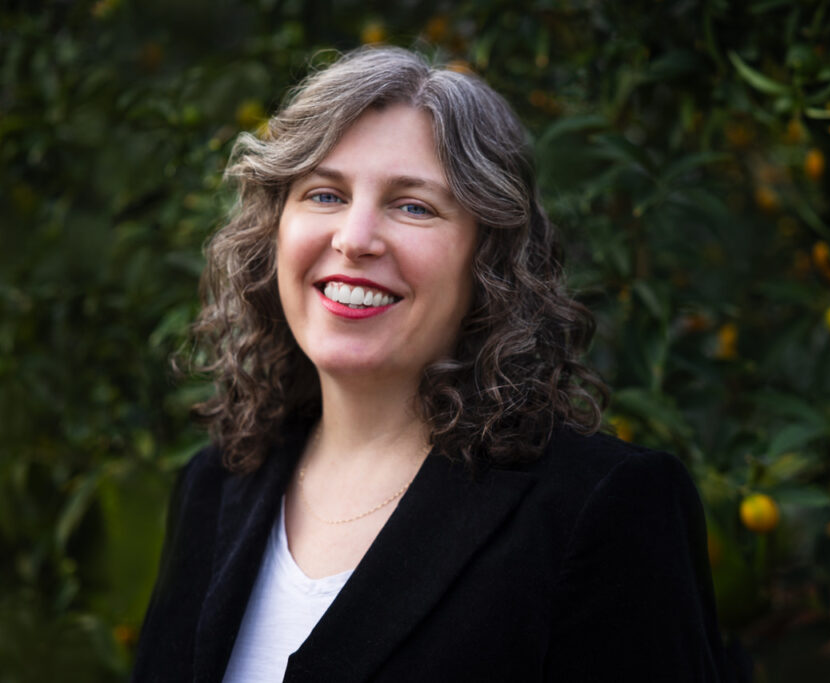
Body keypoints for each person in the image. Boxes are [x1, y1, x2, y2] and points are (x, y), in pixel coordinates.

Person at [133, 46, 734, 682]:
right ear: (274, 233)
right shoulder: (216, 483)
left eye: (413, 205)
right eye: (325, 194)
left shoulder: (602, 508)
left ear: (491, 262)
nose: (355, 238)